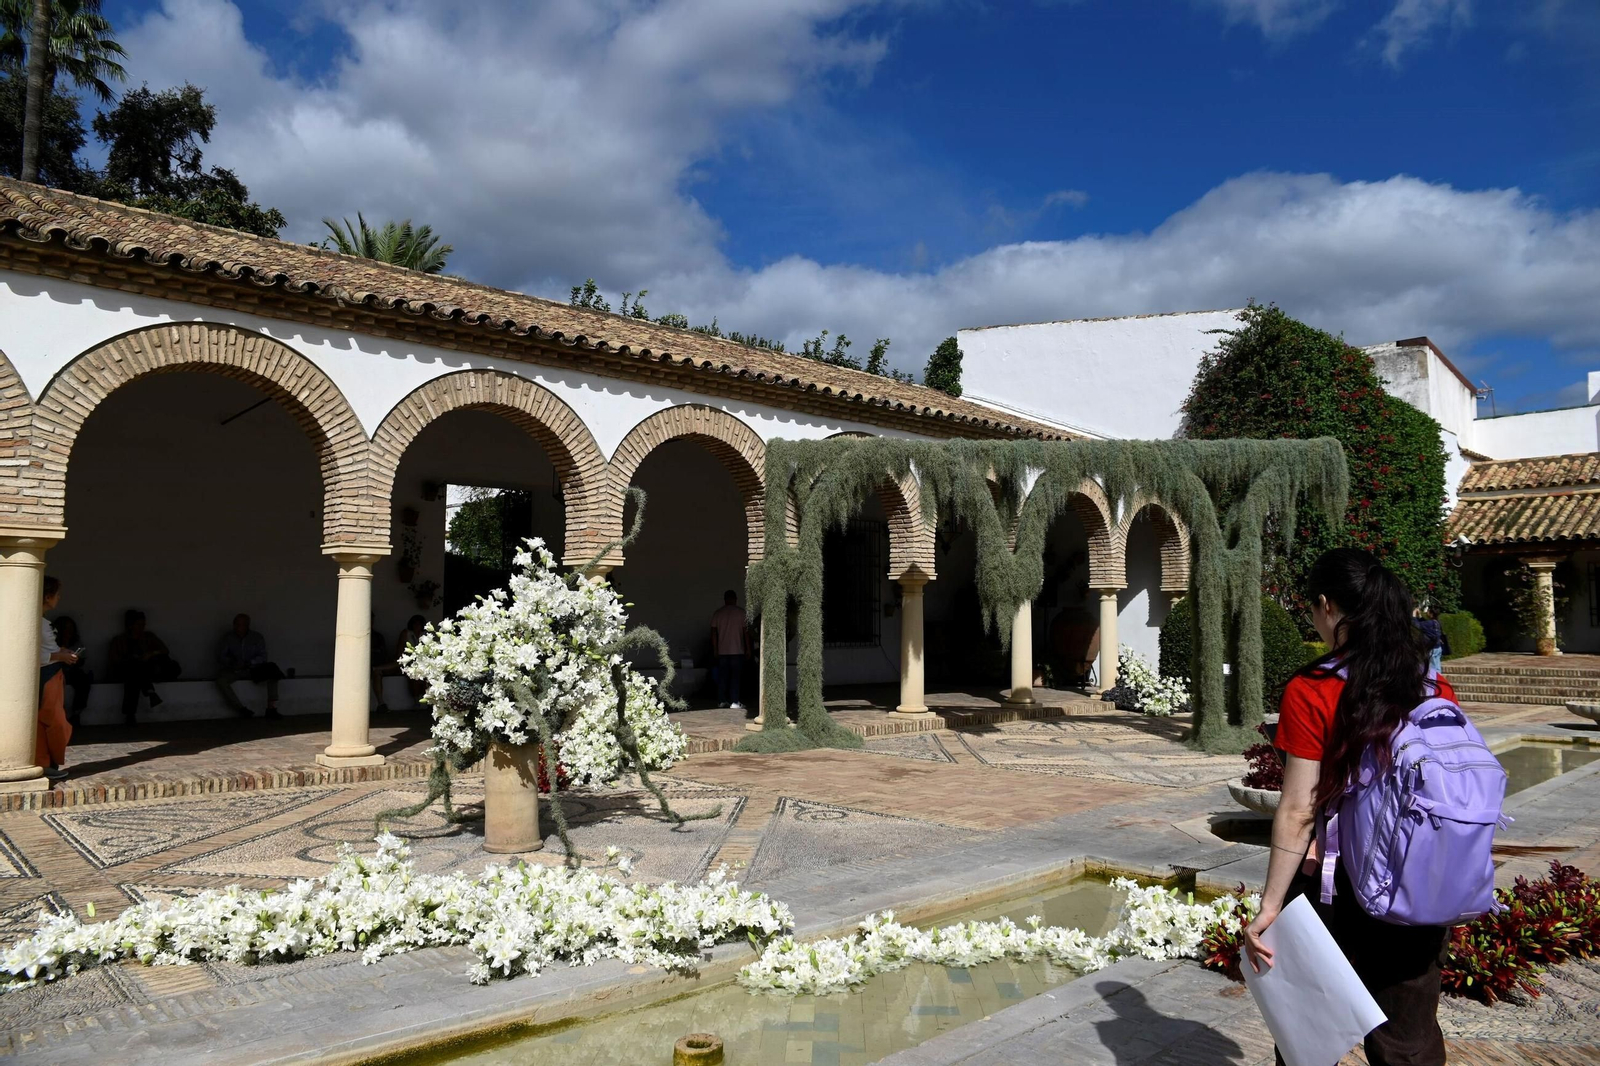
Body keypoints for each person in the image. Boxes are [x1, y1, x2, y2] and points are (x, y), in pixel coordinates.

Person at [1244, 548, 1455, 1066]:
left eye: (1311, 610)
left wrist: (1270, 905)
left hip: (1339, 886)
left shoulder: (1313, 688)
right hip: (1419, 882)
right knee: (1408, 1041)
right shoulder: (1429, 682)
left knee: (1310, 1039)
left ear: (1326, 606)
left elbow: (1297, 808)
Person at [107, 609, 181, 725]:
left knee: (137, 673)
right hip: (127, 670)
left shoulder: (148, 637)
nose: (142, 627)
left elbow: (164, 650)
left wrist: (150, 654)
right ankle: (150, 692)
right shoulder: (119, 640)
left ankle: (131, 712)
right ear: (130, 625)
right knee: (133, 672)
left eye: (143, 624)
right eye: (139, 624)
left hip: (146, 670)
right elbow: (115, 660)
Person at [37, 577, 75, 780]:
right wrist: (59, 656)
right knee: (54, 723)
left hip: (53, 674)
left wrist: (61, 652)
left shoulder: (43, 621)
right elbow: (30, 654)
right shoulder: (34, 621)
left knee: (51, 722)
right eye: (57, 595)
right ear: (47, 596)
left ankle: (47, 764)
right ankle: (43, 764)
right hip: (46, 674)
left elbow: (46, 648)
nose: (59, 598)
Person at [215, 613, 284, 719]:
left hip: (253, 669)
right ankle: (241, 709)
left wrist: (250, 663)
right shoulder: (228, 638)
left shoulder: (257, 637)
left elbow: (263, 656)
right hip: (235, 670)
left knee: (273, 672)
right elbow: (221, 656)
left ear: (247, 625)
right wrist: (232, 663)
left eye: (241, 625)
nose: (238, 627)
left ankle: (271, 708)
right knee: (221, 680)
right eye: (236, 624)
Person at [373, 615, 428, 713]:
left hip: (420, 664)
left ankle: (420, 703)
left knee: (418, 675)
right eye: (415, 623)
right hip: (404, 661)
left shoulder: (425, 635)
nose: (417, 625)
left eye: (419, 623)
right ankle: (381, 703)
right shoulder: (406, 633)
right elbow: (399, 653)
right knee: (400, 666)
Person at [709, 590, 751, 712]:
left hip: (722, 651)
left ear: (725, 599)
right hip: (737, 650)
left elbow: (713, 633)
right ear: (735, 599)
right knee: (735, 677)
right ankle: (734, 701)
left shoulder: (718, 614)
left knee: (723, 677)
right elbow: (746, 633)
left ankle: (721, 700)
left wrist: (715, 649)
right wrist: (748, 648)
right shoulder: (741, 613)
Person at [50, 616, 94, 725]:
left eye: (71, 628)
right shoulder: (52, 642)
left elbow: (82, 661)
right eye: (65, 628)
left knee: (83, 681)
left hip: (73, 670)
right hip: (56, 670)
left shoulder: (76, 642)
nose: (68, 631)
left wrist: (75, 658)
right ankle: (59, 714)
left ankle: (76, 713)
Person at [1413, 605, 1450, 675]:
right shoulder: (1436, 622)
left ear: (1431, 613)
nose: (1426, 612)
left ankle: (1435, 683)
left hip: (1432, 649)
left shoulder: (1430, 623)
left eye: (1428, 611)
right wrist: (1420, 616)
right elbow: (1425, 624)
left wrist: (1414, 615)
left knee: (1433, 669)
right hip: (1438, 648)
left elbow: (1416, 624)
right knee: (1437, 667)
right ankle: (1439, 682)